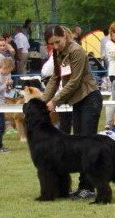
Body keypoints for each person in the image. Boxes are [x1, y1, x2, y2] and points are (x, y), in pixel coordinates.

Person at [42, 25, 103, 199]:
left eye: (57, 42)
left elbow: (74, 82)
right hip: (77, 102)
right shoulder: (57, 53)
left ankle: (88, 187)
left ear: (64, 36)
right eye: (51, 44)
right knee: (78, 145)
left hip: (90, 98)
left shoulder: (77, 51)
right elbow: (55, 78)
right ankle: (83, 186)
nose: (55, 46)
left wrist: (55, 101)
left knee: (86, 144)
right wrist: (42, 101)